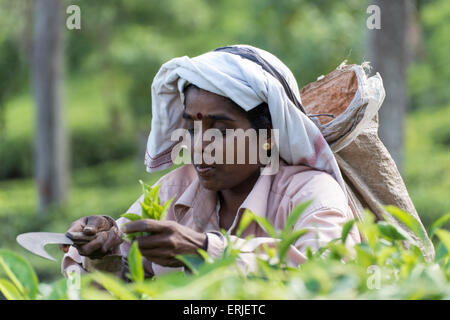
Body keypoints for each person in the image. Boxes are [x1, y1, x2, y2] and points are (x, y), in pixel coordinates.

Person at [61, 45, 360, 278]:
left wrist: (203, 249)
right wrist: (101, 249)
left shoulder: (311, 196)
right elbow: (112, 282)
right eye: (191, 128)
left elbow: (328, 275)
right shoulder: (175, 192)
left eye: (221, 130)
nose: (199, 145)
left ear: (268, 135)